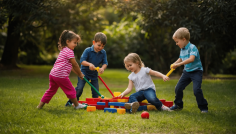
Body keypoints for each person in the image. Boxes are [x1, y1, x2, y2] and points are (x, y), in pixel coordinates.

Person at [37, 30, 86, 109]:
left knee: (51, 90)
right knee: (71, 90)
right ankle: (77, 105)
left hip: (53, 74)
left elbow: (71, 67)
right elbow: (75, 64)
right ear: (68, 41)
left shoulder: (63, 50)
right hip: (61, 76)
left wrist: (78, 74)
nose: (76, 45)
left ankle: (39, 106)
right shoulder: (69, 51)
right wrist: (80, 74)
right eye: (74, 42)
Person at [170, 27, 208, 113]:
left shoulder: (192, 47)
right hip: (187, 72)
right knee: (178, 88)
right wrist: (175, 63)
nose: (176, 44)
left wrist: (179, 64)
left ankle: (203, 108)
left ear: (184, 39)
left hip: (196, 71)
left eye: (177, 41)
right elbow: (181, 58)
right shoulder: (182, 49)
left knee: (196, 90)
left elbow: (191, 59)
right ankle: (178, 105)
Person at [65, 32, 108, 106]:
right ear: (94, 42)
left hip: (94, 74)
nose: (100, 47)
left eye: (103, 46)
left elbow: (105, 63)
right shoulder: (87, 50)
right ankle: (71, 102)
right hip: (84, 73)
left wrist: (102, 68)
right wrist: (89, 64)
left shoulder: (103, 52)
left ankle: (96, 104)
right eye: (99, 45)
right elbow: (82, 61)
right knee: (79, 88)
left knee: (96, 91)